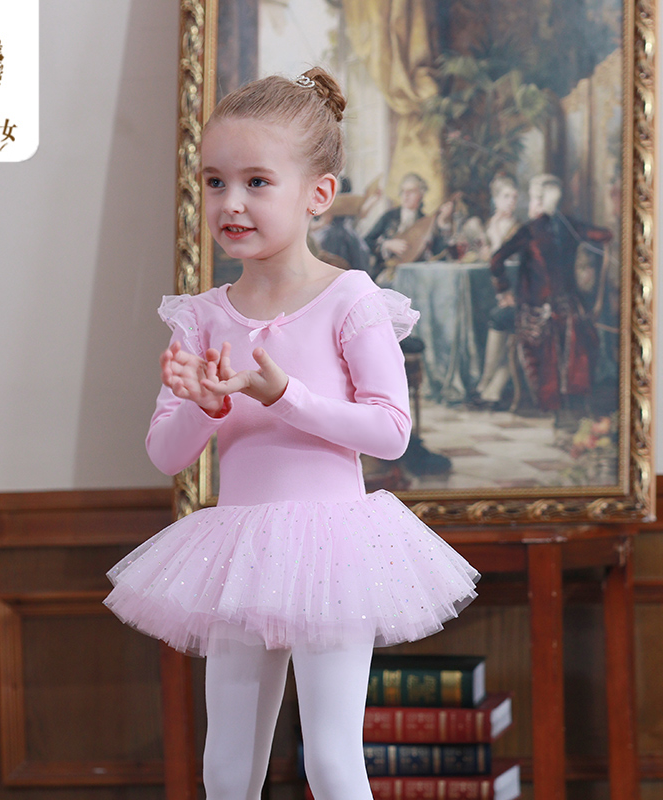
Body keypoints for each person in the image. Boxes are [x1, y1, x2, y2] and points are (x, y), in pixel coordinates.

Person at [104, 68, 479, 800]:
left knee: (331, 760)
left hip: (335, 548)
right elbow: (166, 452)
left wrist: (283, 395)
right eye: (215, 182)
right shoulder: (202, 317)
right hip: (237, 548)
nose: (230, 202)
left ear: (318, 194)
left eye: (256, 182)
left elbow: (391, 431)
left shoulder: (349, 298)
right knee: (226, 767)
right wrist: (207, 405)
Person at [489, 174, 611, 420]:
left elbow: (496, 261)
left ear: (540, 201)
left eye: (535, 199)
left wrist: (504, 290)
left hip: (543, 308)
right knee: (565, 325)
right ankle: (565, 401)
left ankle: (557, 401)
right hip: (557, 308)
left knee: (549, 324)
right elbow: (605, 235)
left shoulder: (536, 230)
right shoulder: (565, 227)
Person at [470, 174, 521, 409]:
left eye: (514, 197)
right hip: (493, 289)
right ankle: (487, 385)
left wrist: (495, 240)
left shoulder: (518, 228)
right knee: (485, 317)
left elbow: (505, 257)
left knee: (501, 321)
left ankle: (487, 384)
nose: (511, 202)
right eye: (506, 196)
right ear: (496, 199)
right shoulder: (490, 224)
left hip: (516, 288)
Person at [363, 172, 428, 278]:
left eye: (411, 191)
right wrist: (386, 245)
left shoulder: (425, 221)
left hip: (415, 275)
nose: (406, 195)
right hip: (386, 273)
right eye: (403, 191)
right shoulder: (389, 216)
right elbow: (366, 241)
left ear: (421, 194)